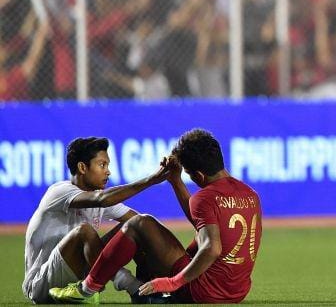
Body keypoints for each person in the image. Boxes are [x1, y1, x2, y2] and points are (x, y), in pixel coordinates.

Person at [50, 129, 263, 304]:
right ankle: (148, 296)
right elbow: (202, 220)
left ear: (198, 175)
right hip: (236, 292)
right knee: (180, 238)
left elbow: (212, 248)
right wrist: (176, 180)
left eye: (188, 175)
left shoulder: (205, 197)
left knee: (139, 224)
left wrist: (174, 282)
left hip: (203, 291)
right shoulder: (249, 194)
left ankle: (86, 290)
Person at [23, 136, 168, 303]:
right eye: (102, 165)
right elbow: (103, 199)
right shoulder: (59, 192)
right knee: (85, 232)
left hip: (77, 275)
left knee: (137, 227)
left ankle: (152, 284)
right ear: (82, 167)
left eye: (108, 165)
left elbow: (142, 224)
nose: (108, 171)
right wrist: (151, 180)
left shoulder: (99, 196)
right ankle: (135, 288)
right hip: (41, 285)